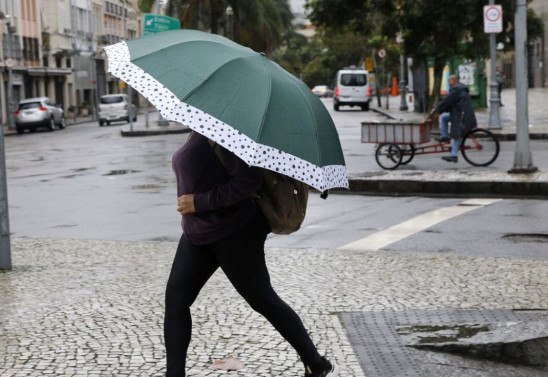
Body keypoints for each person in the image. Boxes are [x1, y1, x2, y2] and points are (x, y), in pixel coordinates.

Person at [165, 131, 339, 377]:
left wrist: (200, 202)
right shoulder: (201, 130)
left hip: (235, 232)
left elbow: (248, 181)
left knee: (263, 299)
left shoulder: (225, 134)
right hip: (197, 233)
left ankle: (315, 361)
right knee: (176, 301)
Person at [433, 74, 477, 163]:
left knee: (457, 133)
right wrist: (440, 111)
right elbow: (451, 103)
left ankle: (454, 155)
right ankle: (444, 136)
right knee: (444, 118)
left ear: (454, 80)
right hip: (461, 114)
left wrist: (437, 110)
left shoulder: (457, 89)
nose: (448, 83)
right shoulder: (460, 88)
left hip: (461, 116)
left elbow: (447, 101)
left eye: (449, 81)